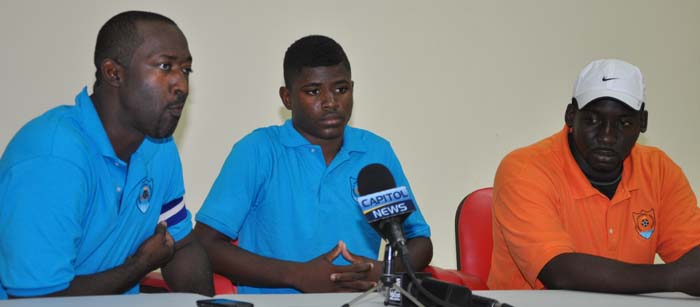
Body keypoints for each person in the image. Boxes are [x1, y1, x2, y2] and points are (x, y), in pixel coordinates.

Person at [194, 35, 433, 294]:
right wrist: (298, 275)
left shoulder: (375, 152)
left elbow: (418, 241)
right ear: (287, 98)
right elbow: (206, 243)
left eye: (341, 89)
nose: (331, 102)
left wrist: (383, 270)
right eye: (313, 91)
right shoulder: (258, 150)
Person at [0, 11, 213, 298]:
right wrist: (140, 265)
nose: (182, 86)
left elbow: (180, 245)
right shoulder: (53, 158)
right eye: (165, 67)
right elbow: (36, 299)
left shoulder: (158, 148)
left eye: (185, 70)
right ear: (114, 72)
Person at [488, 59, 700, 296]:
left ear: (643, 123)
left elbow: (694, 256)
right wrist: (674, 277)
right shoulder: (524, 169)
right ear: (570, 115)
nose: (607, 137)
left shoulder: (659, 170)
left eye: (624, 123)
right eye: (593, 120)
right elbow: (559, 273)